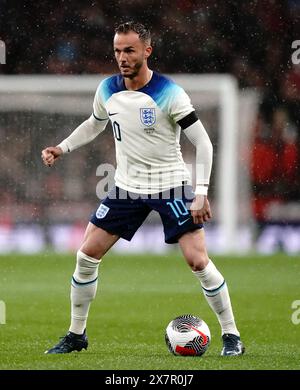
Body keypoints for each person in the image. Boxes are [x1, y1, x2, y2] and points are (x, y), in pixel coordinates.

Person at [42, 21, 244, 356]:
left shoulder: (170, 93)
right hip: (126, 187)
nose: (122, 57)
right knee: (86, 255)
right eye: (117, 51)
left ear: (147, 51)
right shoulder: (107, 89)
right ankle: (76, 335)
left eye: (129, 50)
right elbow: (94, 123)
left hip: (170, 185)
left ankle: (231, 335)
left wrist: (202, 192)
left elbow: (204, 143)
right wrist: (62, 148)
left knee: (197, 261)